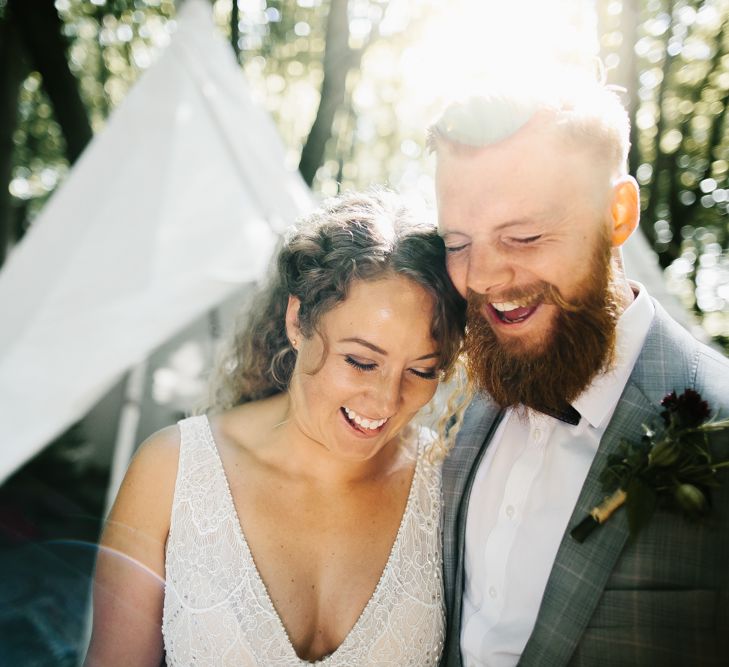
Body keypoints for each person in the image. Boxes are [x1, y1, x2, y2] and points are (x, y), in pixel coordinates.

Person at [84, 189, 467, 666]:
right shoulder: (171, 471)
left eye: (423, 370)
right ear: (296, 321)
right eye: (361, 361)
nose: (387, 400)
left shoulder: (447, 478)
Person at [430, 75, 729, 666]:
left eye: (523, 236)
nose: (483, 277)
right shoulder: (460, 405)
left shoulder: (719, 424)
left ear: (617, 214)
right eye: (458, 242)